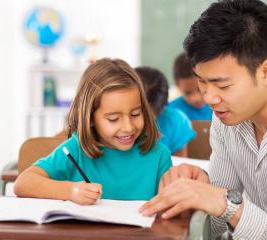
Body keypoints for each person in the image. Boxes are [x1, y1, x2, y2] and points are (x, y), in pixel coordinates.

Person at [139, 0, 267, 239]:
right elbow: (216, 225)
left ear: (266, 72)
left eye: (222, 85)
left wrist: (227, 205)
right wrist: (198, 192)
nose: (209, 98)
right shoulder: (228, 115)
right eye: (202, 81)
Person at [14, 58, 172, 205]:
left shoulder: (159, 156)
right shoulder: (76, 149)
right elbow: (23, 183)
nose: (128, 127)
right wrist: (71, 191)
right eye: (113, 119)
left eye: (135, 114)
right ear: (90, 118)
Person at [135, 66, 196, 157]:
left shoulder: (176, 121)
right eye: (134, 114)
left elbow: (179, 163)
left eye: (148, 118)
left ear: (162, 108)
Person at [168, 52, 213, 120]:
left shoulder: (223, 107)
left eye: (200, 89)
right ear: (177, 86)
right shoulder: (170, 112)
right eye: (188, 92)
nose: (196, 98)